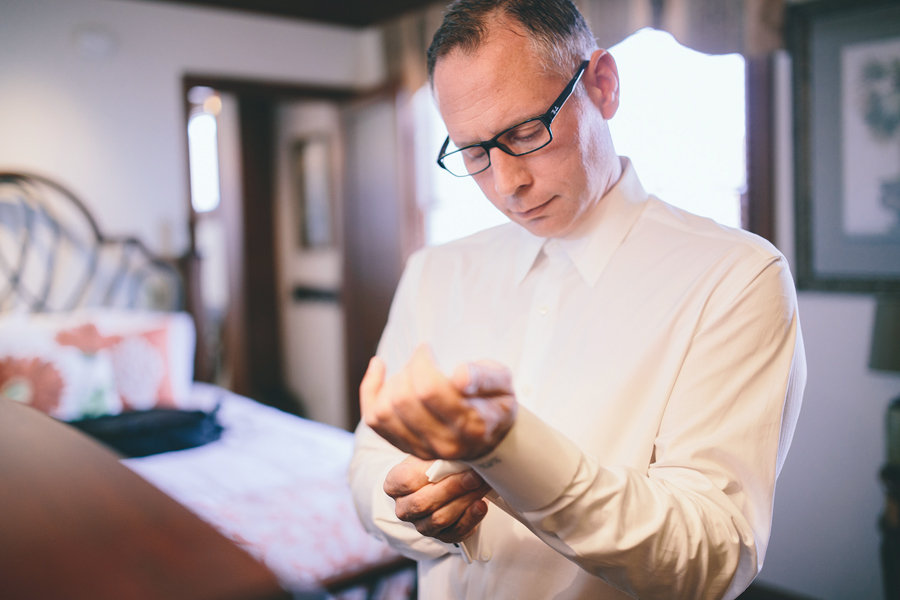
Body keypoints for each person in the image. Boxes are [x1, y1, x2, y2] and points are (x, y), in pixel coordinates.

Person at [349, 1, 806, 598]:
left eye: (524, 132)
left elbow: (713, 555)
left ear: (603, 85)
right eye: (475, 153)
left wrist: (509, 452)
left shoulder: (736, 278)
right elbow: (366, 468)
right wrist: (416, 507)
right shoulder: (434, 272)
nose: (508, 185)